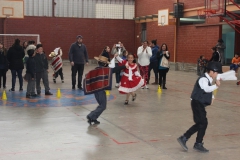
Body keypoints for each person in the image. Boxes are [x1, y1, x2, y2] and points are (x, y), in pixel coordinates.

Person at [177, 61, 222, 153]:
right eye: (217, 72)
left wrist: (212, 97)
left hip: (199, 104)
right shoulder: (203, 79)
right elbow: (206, 88)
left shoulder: (208, 79)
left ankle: (192, 140)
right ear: (212, 71)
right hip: (196, 103)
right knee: (202, 123)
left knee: (201, 123)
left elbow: (209, 90)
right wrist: (216, 86)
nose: (217, 75)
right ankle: (188, 139)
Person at [85, 55, 127, 125]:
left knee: (101, 105)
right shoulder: (106, 70)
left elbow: (87, 76)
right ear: (105, 64)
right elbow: (115, 69)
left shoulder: (95, 70)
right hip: (101, 90)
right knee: (103, 106)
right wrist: (124, 66)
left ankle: (94, 118)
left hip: (95, 90)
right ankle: (91, 116)